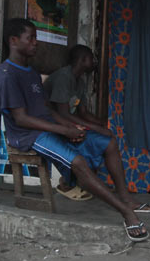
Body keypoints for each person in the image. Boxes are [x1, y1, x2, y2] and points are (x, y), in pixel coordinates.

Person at [0, 18, 150, 242]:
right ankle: (126, 212)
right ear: (13, 41)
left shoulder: (31, 72)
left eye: (35, 38)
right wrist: (62, 130)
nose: (35, 43)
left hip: (48, 128)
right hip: (28, 135)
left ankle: (125, 197)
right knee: (79, 162)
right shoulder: (7, 75)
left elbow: (46, 110)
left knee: (108, 143)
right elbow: (21, 119)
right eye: (30, 38)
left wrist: (69, 126)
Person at [44, 45, 110, 200]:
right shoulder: (63, 77)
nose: (94, 62)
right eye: (91, 58)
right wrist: (94, 128)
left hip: (66, 123)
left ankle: (84, 182)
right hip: (52, 125)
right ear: (83, 60)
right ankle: (69, 182)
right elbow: (63, 114)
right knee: (86, 140)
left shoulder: (79, 81)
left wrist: (102, 124)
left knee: (102, 138)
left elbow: (83, 113)